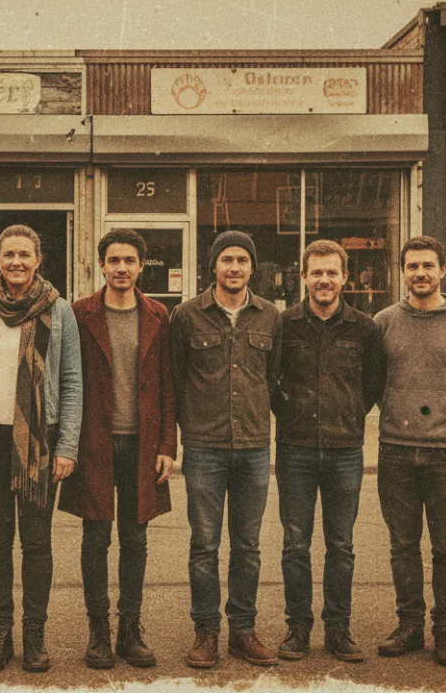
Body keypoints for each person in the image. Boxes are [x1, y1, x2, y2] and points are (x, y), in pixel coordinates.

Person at [0, 224, 82, 674]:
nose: (16, 262)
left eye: (24, 254)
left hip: (39, 442)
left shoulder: (59, 310)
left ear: (38, 260)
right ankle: (0, 634)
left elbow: (71, 381)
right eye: (8, 255)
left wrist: (67, 446)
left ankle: (34, 636)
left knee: (36, 542)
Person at [59, 228, 176, 669]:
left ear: (142, 266)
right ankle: (99, 631)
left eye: (129, 261)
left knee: (135, 536)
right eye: (114, 260)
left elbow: (167, 385)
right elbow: (67, 381)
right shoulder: (79, 314)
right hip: (95, 442)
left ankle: (130, 628)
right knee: (95, 536)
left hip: (142, 444)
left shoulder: (158, 315)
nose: (121, 268)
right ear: (102, 265)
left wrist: (167, 445)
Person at [373, 235, 446, 667]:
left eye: (428, 265)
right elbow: (374, 381)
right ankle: (409, 626)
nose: (420, 273)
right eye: (412, 266)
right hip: (396, 451)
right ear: (402, 271)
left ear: (443, 270)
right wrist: (396, 417)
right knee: (402, 545)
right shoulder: (385, 321)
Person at [169, 230, 282, 669]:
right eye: (226, 260)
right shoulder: (186, 316)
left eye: (242, 260)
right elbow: (176, 379)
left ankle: (243, 631)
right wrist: (188, 430)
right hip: (205, 447)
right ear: (213, 266)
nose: (234, 267)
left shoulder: (270, 316)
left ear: (252, 267)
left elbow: (273, 377)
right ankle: (206, 632)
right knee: (204, 544)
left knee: (248, 545)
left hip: (253, 446)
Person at [271, 239, 384, 663]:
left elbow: (373, 383)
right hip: (295, 448)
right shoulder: (284, 325)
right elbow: (271, 381)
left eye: (331, 272)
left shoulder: (364, 328)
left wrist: (350, 413)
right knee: (295, 544)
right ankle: (298, 627)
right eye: (316, 272)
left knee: (341, 545)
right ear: (303, 276)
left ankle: (338, 628)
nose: (324, 280)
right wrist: (292, 414)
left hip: (344, 451)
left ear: (344, 277)